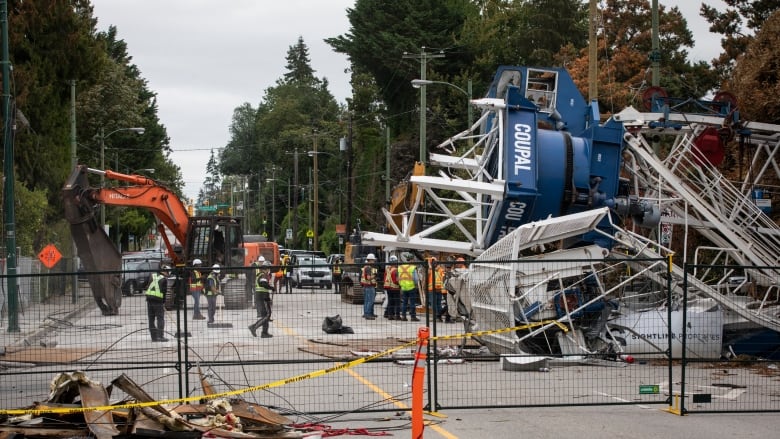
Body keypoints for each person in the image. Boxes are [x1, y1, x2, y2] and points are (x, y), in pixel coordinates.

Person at [248, 263, 274, 338]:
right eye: (268, 269)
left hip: (261, 295)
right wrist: (271, 288)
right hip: (263, 295)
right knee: (267, 315)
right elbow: (263, 284)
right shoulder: (263, 275)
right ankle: (254, 327)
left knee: (264, 315)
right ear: (265, 269)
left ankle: (264, 333)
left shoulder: (259, 275)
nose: (269, 270)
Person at [145, 264, 170, 342]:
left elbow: (146, 284)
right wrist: (163, 303)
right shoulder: (164, 279)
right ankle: (160, 336)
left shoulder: (152, 275)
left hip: (149, 299)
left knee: (151, 319)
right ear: (165, 272)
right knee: (160, 319)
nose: (168, 275)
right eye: (168, 273)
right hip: (158, 300)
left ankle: (154, 337)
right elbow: (164, 292)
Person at [398, 254, 420, 322]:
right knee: (412, 303)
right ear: (412, 259)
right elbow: (416, 279)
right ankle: (413, 317)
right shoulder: (412, 267)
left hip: (403, 288)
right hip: (411, 287)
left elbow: (398, 278)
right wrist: (416, 284)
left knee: (404, 302)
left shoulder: (400, 267)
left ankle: (403, 316)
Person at [360, 253, 378, 319]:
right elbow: (368, 277)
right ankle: (368, 314)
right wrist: (375, 276)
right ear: (370, 260)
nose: (374, 261)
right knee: (370, 300)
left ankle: (367, 313)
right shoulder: (368, 268)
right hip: (369, 286)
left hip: (366, 286)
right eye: (373, 260)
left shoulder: (365, 267)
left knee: (367, 300)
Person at [383, 255, 401, 320]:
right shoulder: (396, 270)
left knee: (390, 302)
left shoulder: (387, 269)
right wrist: (401, 285)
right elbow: (397, 280)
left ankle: (390, 315)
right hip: (395, 288)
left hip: (388, 288)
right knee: (397, 302)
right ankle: (397, 315)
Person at [427, 257, 445, 322]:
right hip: (439, 289)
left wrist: (429, 265)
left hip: (432, 289)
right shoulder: (441, 270)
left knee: (434, 304)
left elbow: (427, 274)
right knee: (438, 303)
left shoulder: (430, 270)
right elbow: (443, 278)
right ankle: (439, 317)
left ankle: (436, 317)